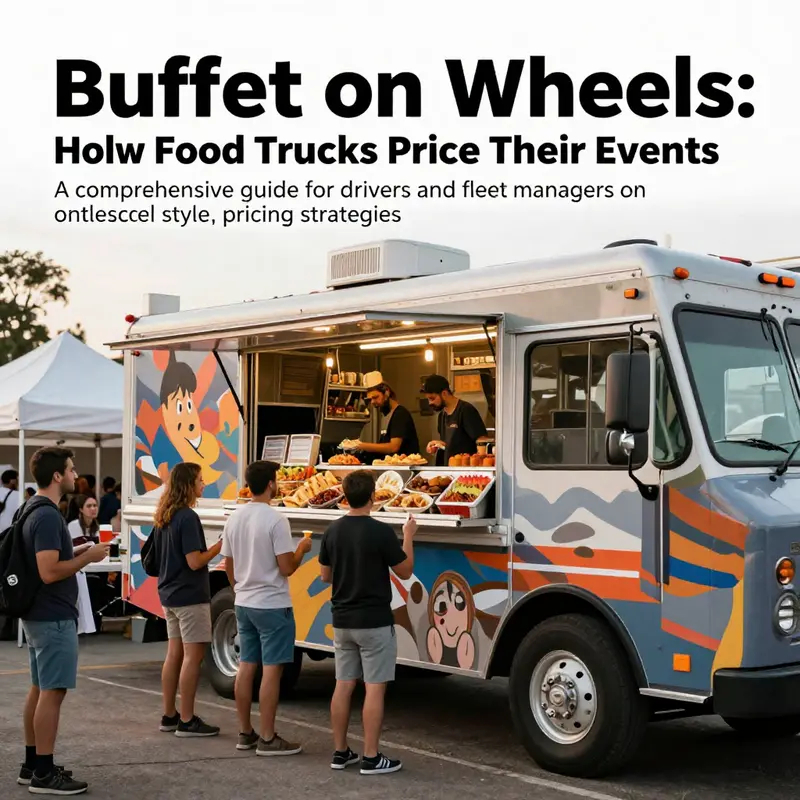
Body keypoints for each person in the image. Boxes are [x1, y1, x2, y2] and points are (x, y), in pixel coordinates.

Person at [18, 447, 110, 794]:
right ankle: (44, 773)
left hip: (39, 614)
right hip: (52, 615)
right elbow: (49, 570)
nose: (75, 475)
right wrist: (88, 558)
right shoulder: (47, 516)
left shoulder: (31, 509)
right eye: (71, 470)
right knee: (52, 693)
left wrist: (81, 553)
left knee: (40, 689)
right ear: (57, 476)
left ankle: (33, 763)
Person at [319, 470, 416, 775]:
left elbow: (325, 575)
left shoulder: (332, 531)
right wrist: (410, 536)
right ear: (374, 496)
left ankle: (340, 751)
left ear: (345, 496)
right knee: (374, 687)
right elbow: (405, 570)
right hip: (374, 621)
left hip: (342, 619)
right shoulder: (382, 532)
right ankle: (371, 756)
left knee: (343, 684)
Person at [221, 460, 312, 756]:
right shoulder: (276, 520)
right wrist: (302, 549)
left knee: (246, 667)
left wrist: (239, 588)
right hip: (272, 604)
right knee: (272, 672)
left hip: (244, 603)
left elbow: (229, 564)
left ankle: (245, 732)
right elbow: (286, 568)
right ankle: (269, 738)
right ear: (272, 484)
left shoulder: (234, 518)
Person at [154, 462, 222, 738]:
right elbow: (195, 562)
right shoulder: (188, 518)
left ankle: (169, 714)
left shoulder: (165, 516)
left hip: (169, 593)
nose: (203, 484)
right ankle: (187, 719)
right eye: (200, 480)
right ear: (188, 485)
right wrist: (220, 545)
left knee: (174, 655)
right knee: (193, 658)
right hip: (191, 595)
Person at [421, 375, 490, 466]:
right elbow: (449, 444)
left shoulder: (466, 410)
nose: (430, 403)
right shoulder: (442, 415)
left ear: (444, 394)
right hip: (449, 469)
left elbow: (481, 439)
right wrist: (438, 444)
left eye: (432, 398)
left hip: (466, 470)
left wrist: (479, 468)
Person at [348, 372, 420, 459]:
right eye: (370, 399)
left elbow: (393, 447)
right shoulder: (386, 416)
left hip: (403, 469)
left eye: (375, 397)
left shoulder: (400, 414)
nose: (373, 402)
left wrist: (360, 445)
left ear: (387, 392)